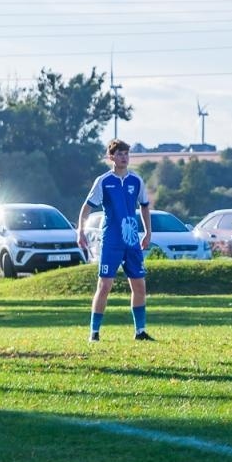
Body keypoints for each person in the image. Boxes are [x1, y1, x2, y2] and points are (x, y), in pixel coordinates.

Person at [75, 140, 154, 342]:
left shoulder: (136, 181)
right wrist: (80, 231)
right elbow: (87, 206)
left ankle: (140, 331)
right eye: (119, 154)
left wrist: (147, 232)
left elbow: (145, 206)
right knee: (105, 285)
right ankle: (94, 333)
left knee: (139, 286)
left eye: (126, 154)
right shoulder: (103, 181)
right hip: (111, 241)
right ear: (111, 157)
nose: (124, 157)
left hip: (132, 241)